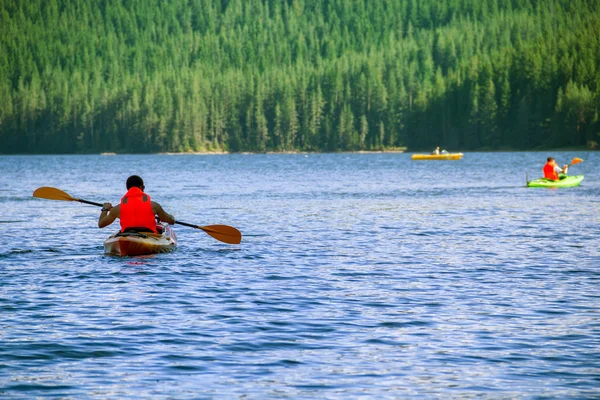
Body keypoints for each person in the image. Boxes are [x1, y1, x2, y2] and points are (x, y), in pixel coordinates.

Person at [98, 175, 175, 233]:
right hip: (149, 236)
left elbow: (101, 224)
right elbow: (171, 221)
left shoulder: (117, 209)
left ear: (127, 188)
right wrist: (171, 217)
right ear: (141, 187)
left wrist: (105, 209)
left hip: (127, 235)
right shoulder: (154, 206)